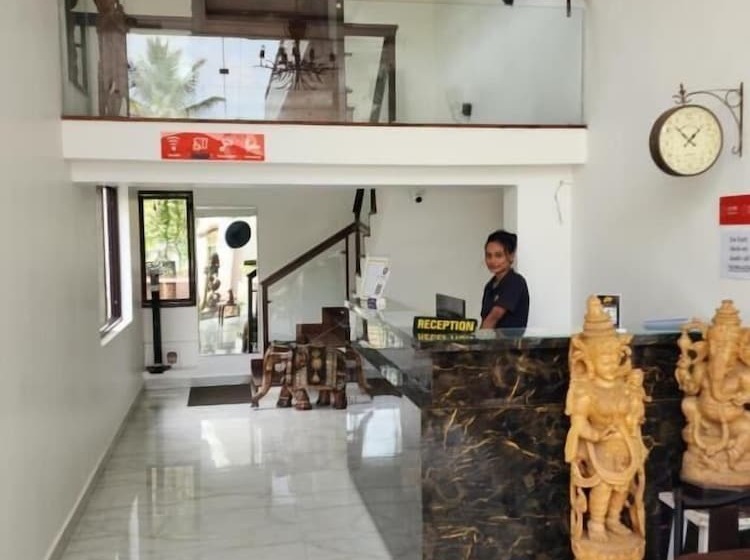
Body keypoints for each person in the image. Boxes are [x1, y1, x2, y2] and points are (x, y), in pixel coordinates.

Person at [480, 229, 529, 329]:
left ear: (511, 256)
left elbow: (493, 318)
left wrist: (479, 338)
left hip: (510, 340)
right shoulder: (490, 286)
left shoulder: (515, 282)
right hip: (492, 339)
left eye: (498, 256)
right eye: (488, 255)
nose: (492, 261)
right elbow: (485, 320)